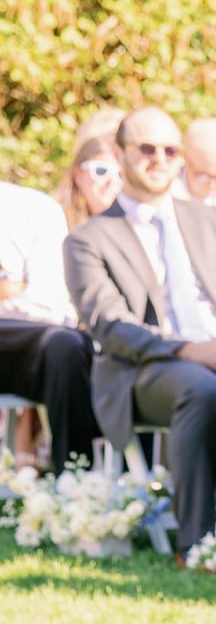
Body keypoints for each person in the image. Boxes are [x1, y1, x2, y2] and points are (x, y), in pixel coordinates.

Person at [63, 106, 216, 556]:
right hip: (145, 370)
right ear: (119, 155)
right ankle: (196, 544)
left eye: (169, 149)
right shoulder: (88, 239)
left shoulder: (210, 219)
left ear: (182, 158)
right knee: (201, 388)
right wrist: (189, 350)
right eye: (145, 148)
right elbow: (112, 326)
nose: (159, 158)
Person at [0, 178, 99, 471]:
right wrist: (11, 286)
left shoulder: (34, 208)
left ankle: (74, 483)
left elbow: (50, 303)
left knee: (66, 345)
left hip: (21, 342)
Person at [54, 135, 125, 230]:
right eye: (101, 171)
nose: (112, 182)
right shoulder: (56, 222)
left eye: (120, 174)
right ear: (77, 174)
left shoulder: (137, 228)